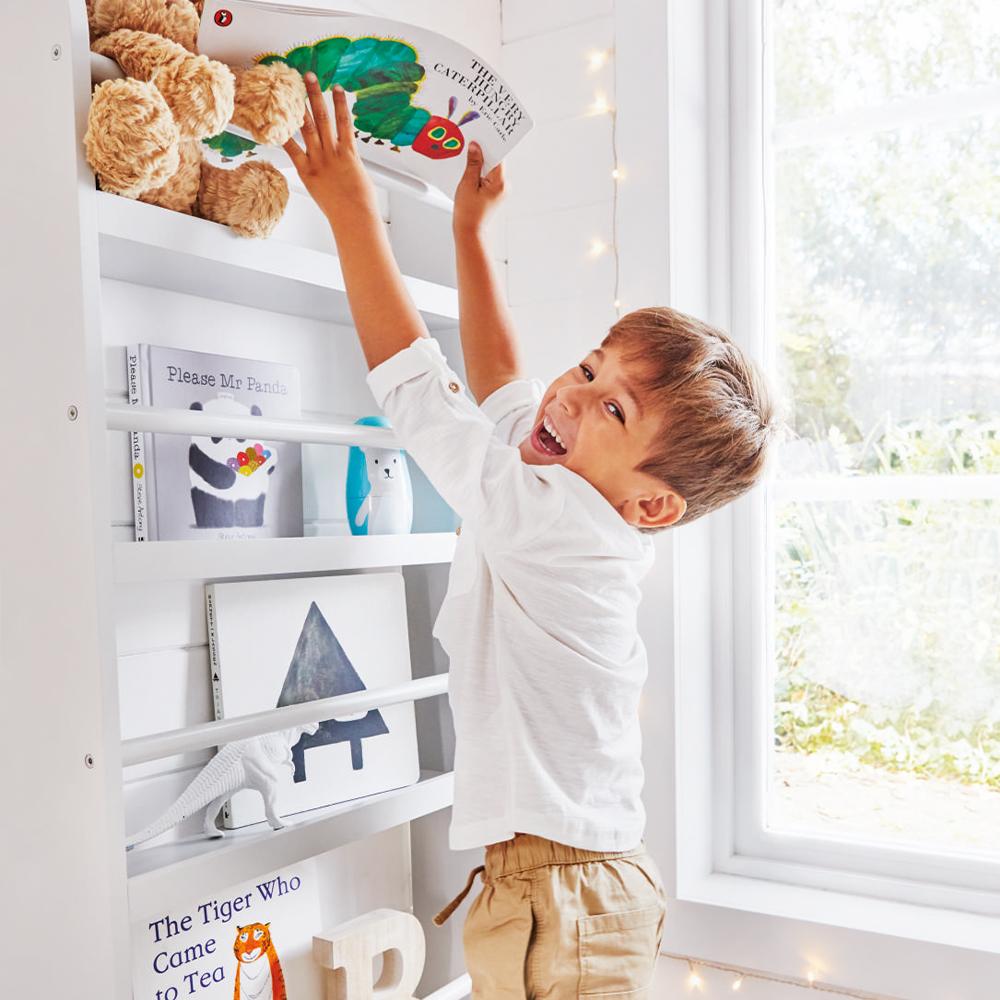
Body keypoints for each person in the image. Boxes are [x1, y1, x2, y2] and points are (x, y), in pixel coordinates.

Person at [285, 71, 778, 998]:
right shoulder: (557, 489)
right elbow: (505, 385)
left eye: (614, 409)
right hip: (558, 885)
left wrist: (352, 212)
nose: (573, 397)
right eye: (589, 367)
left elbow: (423, 397)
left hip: (565, 895)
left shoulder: (564, 529)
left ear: (652, 505)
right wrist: (471, 236)